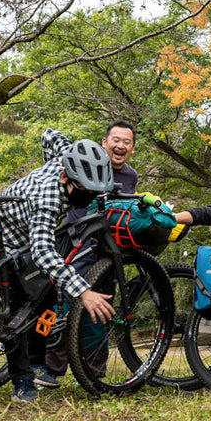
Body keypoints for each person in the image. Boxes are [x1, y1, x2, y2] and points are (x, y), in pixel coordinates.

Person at [0, 130, 118, 402]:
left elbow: (49, 134)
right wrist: (84, 292)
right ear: (65, 177)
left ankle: (38, 362)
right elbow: (42, 252)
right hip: (7, 243)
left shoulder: (67, 158)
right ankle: (23, 382)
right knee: (17, 314)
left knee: (48, 295)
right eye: (84, 191)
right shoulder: (49, 200)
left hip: (28, 239)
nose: (88, 197)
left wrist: (46, 162)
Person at [32, 120, 139, 387]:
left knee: (99, 309)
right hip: (75, 242)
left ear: (132, 148)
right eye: (116, 139)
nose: (120, 145)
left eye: (127, 142)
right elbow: (49, 134)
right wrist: (52, 170)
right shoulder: (83, 159)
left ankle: (93, 372)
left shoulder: (130, 176)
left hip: (106, 250)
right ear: (104, 143)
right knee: (62, 304)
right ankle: (51, 369)